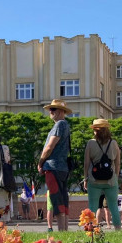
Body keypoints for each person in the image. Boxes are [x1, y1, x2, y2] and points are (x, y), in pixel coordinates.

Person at [39, 99, 72, 231]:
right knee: (63, 198)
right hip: (63, 167)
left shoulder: (59, 125)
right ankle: (64, 230)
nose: (50, 112)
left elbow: (50, 146)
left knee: (56, 198)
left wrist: (40, 162)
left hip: (53, 167)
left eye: (53, 110)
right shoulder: (66, 125)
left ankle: (61, 230)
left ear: (60, 111)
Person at [83, 118, 121, 230]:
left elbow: (86, 163)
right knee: (113, 206)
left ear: (96, 130)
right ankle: (118, 230)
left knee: (93, 207)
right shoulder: (114, 143)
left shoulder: (91, 143)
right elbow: (117, 163)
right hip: (110, 180)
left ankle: (91, 230)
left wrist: (85, 178)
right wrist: (115, 177)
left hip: (94, 180)